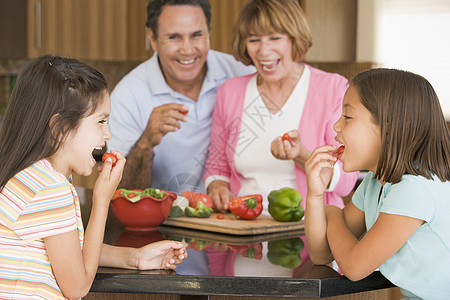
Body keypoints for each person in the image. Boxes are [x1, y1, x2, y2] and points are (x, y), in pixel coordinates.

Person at [0, 55, 187, 299]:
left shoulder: (33, 178)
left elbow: (71, 252)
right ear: (60, 129)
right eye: (100, 121)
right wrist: (102, 201)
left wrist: (135, 257)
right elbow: (77, 286)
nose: (107, 134)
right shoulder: (51, 191)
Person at [305, 68, 450, 299]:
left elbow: (354, 267)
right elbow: (322, 254)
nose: (336, 127)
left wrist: (332, 213)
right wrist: (315, 195)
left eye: (348, 117)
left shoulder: (415, 189)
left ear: (389, 126)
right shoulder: (376, 182)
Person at [203, 0, 359, 212]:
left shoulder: (332, 88)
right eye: (254, 39)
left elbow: (346, 181)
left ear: (294, 39)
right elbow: (216, 165)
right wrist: (217, 186)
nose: (263, 50)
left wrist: (301, 155)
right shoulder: (230, 92)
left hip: (310, 228)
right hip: (243, 227)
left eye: (275, 38)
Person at [107, 0, 255, 194]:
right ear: (152, 38)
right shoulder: (128, 96)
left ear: (208, 34)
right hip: (165, 221)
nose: (187, 49)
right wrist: (145, 143)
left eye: (196, 35)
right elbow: (123, 192)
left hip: (235, 218)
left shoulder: (240, 74)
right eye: (174, 37)